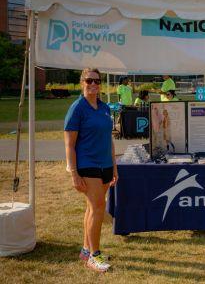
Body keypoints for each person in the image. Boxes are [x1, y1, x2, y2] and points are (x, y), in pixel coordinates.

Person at [64, 68, 117, 273]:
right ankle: (94, 256)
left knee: (91, 208)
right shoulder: (77, 108)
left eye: (97, 80)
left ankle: (86, 250)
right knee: (98, 207)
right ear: (82, 83)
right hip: (87, 164)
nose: (93, 84)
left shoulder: (104, 107)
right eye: (89, 80)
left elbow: (108, 139)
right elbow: (69, 144)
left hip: (105, 164)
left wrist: (114, 167)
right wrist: (74, 173)